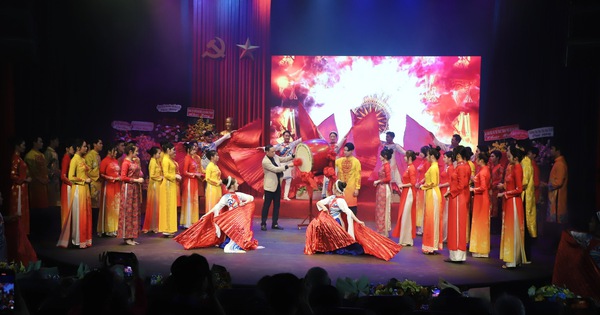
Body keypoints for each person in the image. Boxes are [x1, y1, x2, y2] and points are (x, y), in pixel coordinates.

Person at [304, 180, 402, 261]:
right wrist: (324, 208)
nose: (332, 189)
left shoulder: (341, 201)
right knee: (315, 223)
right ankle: (318, 245)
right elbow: (320, 202)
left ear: (336, 189)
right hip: (328, 222)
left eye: (333, 188)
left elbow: (348, 212)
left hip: (335, 223)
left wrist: (358, 221)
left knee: (320, 223)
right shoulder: (332, 198)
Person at [174, 176, 260, 253]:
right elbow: (216, 208)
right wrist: (207, 214)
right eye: (236, 183)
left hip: (239, 219)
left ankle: (241, 240)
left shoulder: (238, 195)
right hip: (232, 220)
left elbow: (251, 198)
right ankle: (234, 242)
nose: (238, 184)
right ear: (233, 185)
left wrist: (244, 203)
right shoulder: (225, 197)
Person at [7, 137, 38, 264]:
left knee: (23, 213)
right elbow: (12, 175)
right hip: (18, 190)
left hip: (22, 190)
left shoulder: (19, 158)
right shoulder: (15, 158)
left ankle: (23, 239)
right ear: (17, 146)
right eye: (23, 144)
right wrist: (24, 179)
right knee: (19, 213)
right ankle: (20, 240)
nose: (24, 147)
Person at [57, 139, 93, 249]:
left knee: (86, 214)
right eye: (84, 146)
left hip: (85, 190)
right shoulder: (74, 160)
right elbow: (71, 177)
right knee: (79, 214)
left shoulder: (82, 159)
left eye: (86, 147)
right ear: (78, 148)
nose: (86, 148)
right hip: (78, 190)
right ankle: (77, 240)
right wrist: (83, 180)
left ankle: (86, 239)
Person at [498, 146, 526, 269]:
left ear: (515, 157)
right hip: (509, 201)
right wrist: (504, 186)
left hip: (514, 202)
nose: (508, 158)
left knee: (512, 231)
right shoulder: (512, 167)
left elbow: (519, 189)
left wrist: (505, 193)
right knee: (509, 229)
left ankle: (513, 260)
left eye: (509, 156)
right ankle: (512, 259)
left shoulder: (518, 168)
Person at [443, 146, 470, 263]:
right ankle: (454, 255)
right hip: (456, 197)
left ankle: (458, 255)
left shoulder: (462, 167)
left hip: (458, 198)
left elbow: (462, 185)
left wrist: (450, 192)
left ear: (458, 154)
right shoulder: (460, 166)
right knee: (454, 225)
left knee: (457, 225)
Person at [261, 144, 294, 230]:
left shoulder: (275, 156)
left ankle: (274, 223)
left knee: (277, 205)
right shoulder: (265, 161)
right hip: (269, 187)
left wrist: (292, 156)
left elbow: (283, 159)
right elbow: (275, 169)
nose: (274, 153)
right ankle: (263, 223)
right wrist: (287, 166)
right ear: (267, 152)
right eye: (272, 151)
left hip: (277, 185)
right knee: (266, 206)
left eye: (274, 151)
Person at [118, 144, 144, 245]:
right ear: (130, 152)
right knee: (128, 212)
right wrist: (136, 180)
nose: (137, 153)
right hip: (128, 189)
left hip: (135, 189)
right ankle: (127, 237)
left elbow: (139, 173)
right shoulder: (126, 162)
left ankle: (132, 236)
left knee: (134, 211)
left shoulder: (134, 161)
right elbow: (123, 177)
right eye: (136, 151)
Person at [421, 146, 443, 255]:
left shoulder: (434, 167)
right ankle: (430, 245)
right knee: (430, 218)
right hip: (431, 192)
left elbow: (433, 182)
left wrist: (423, 187)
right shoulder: (433, 166)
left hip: (433, 192)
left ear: (432, 156)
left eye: (428, 155)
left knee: (432, 218)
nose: (427, 157)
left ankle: (432, 245)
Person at [392, 150, 417, 246]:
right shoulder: (409, 168)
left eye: (406, 156)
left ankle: (407, 240)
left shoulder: (412, 168)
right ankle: (404, 239)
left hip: (409, 193)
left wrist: (403, 185)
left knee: (407, 215)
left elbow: (413, 183)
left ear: (410, 157)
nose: (404, 158)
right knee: (405, 215)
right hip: (406, 192)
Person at [469, 152, 491, 258]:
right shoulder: (484, 170)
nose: (476, 160)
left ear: (481, 160)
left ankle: (480, 250)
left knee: (480, 222)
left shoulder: (483, 171)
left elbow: (483, 187)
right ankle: (480, 249)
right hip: (481, 197)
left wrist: (473, 189)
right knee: (480, 222)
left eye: (477, 158)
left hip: (481, 198)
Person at [97, 143, 121, 237]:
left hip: (117, 186)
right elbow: (101, 174)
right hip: (109, 186)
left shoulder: (115, 160)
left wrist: (118, 177)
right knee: (109, 207)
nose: (115, 152)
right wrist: (112, 178)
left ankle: (116, 228)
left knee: (116, 207)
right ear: (109, 151)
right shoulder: (104, 161)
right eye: (114, 151)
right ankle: (108, 229)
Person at [159, 142, 181, 237]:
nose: (174, 151)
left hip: (171, 185)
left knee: (171, 206)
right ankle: (167, 229)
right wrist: (175, 176)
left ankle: (171, 228)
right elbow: (166, 174)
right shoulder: (165, 160)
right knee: (168, 206)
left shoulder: (169, 159)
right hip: (167, 185)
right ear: (168, 150)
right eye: (173, 149)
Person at [273, 130, 302, 201]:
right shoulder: (280, 145)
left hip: (290, 164)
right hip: (282, 164)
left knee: (288, 180)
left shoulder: (292, 144)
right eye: (286, 135)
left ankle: (286, 196)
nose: (287, 137)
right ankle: (272, 196)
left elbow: (300, 140)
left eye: (288, 136)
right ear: (283, 136)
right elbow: (271, 148)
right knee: (278, 181)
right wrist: (262, 148)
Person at [335, 143, 361, 215]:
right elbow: (331, 162)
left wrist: (357, 188)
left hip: (351, 188)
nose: (345, 152)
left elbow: (358, 176)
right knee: (340, 207)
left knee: (351, 207)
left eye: (347, 151)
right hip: (341, 189)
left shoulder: (356, 162)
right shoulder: (339, 160)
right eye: (344, 150)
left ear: (352, 151)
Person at [180, 142, 202, 228]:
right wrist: (194, 174)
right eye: (193, 149)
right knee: (189, 200)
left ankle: (193, 221)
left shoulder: (195, 158)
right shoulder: (187, 158)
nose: (194, 150)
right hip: (189, 181)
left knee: (194, 201)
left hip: (194, 181)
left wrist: (199, 174)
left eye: (195, 149)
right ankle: (187, 222)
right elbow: (185, 172)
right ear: (189, 150)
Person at [24, 136, 49, 209]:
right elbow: (31, 172)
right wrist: (40, 179)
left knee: (44, 205)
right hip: (35, 184)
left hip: (44, 184)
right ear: (34, 143)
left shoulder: (42, 155)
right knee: (37, 205)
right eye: (40, 141)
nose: (42, 143)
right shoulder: (29, 155)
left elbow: (44, 169)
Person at [546, 140, 568, 224]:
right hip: (554, 198)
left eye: (552, 149)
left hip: (557, 200)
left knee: (557, 223)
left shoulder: (560, 164)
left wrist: (547, 185)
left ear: (557, 151)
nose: (550, 151)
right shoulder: (558, 163)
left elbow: (559, 182)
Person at [142, 146, 162, 233]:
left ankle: (156, 225)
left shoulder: (156, 161)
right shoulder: (152, 162)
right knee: (154, 205)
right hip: (154, 185)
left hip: (157, 184)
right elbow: (152, 175)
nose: (160, 154)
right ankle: (153, 226)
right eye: (158, 153)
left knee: (157, 205)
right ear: (154, 154)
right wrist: (160, 178)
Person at [374, 148, 393, 236]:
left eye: (381, 155)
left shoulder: (386, 165)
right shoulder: (384, 165)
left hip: (384, 188)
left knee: (383, 209)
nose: (379, 156)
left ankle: (383, 230)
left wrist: (378, 181)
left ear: (385, 156)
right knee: (380, 209)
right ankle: (381, 229)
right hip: (381, 188)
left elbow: (388, 179)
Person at [415, 145, 430, 236]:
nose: (419, 153)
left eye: (421, 152)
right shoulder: (422, 161)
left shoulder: (427, 162)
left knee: (422, 207)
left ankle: (422, 227)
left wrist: (420, 183)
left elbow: (427, 175)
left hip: (422, 186)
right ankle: (418, 226)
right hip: (418, 186)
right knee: (418, 207)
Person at [489, 150, 505, 235]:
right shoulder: (491, 167)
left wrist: (492, 185)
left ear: (498, 158)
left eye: (493, 156)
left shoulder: (500, 167)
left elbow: (500, 179)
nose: (491, 158)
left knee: (496, 208)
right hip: (491, 190)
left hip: (497, 190)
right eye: (490, 156)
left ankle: (496, 229)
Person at [85, 138, 103, 208]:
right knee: (93, 206)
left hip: (98, 183)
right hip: (93, 183)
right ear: (95, 144)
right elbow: (88, 171)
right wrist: (99, 174)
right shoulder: (90, 155)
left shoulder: (98, 155)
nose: (102, 145)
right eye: (100, 143)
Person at [60, 143, 74, 233]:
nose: (73, 150)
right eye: (72, 148)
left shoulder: (68, 158)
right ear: (67, 149)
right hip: (66, 187)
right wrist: (71, 183)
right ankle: (66, 232)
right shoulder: (66, 158)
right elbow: (63, 176)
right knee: (67, 210)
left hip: (68, 185)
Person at [440, 151, 453, 242]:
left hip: (446, 190)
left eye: (445, 157)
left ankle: (446, 236)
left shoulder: (451, 168)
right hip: (443, 189)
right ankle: (443, 234)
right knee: (443, 213)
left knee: (446, 214)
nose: (443, 159)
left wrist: (440, 185)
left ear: (450, 158)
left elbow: (450, 182)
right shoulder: (447, 167)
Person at [204, 150, 222, 214]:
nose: (218, 157)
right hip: (212, 188)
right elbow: (207, 178)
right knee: (212, 204)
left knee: (217, 204)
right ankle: (209, 220)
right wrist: (217, 182)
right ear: (212, 157)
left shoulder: (216, 166)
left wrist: (220, 181)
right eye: (216, 155)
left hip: (217, 188)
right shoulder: (209, 166)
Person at [44, 136, 61, 207]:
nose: (58, 142)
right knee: (52, 201)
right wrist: (53, 172)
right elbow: (45, 167)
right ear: (52, 141)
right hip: (51, 180)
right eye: (56, 140)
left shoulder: (54, 153)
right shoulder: (48, 153)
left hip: (56, 180)